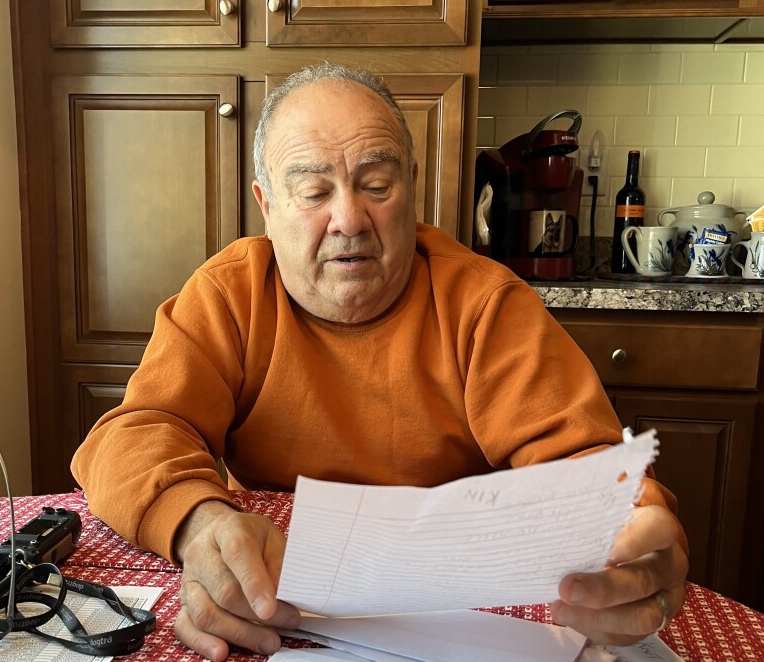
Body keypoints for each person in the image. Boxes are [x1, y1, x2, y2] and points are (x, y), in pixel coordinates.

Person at [71, 64, 688, 662]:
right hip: (277, 603)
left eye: (376, 186)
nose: (348, 220)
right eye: (314, 191)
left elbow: (587, 472)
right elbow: (135, 433)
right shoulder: (231, 295)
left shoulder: (485, 305)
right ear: (267, 204)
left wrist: (633, 542)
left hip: (457, 615)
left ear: (413, 185)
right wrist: (201, 524)